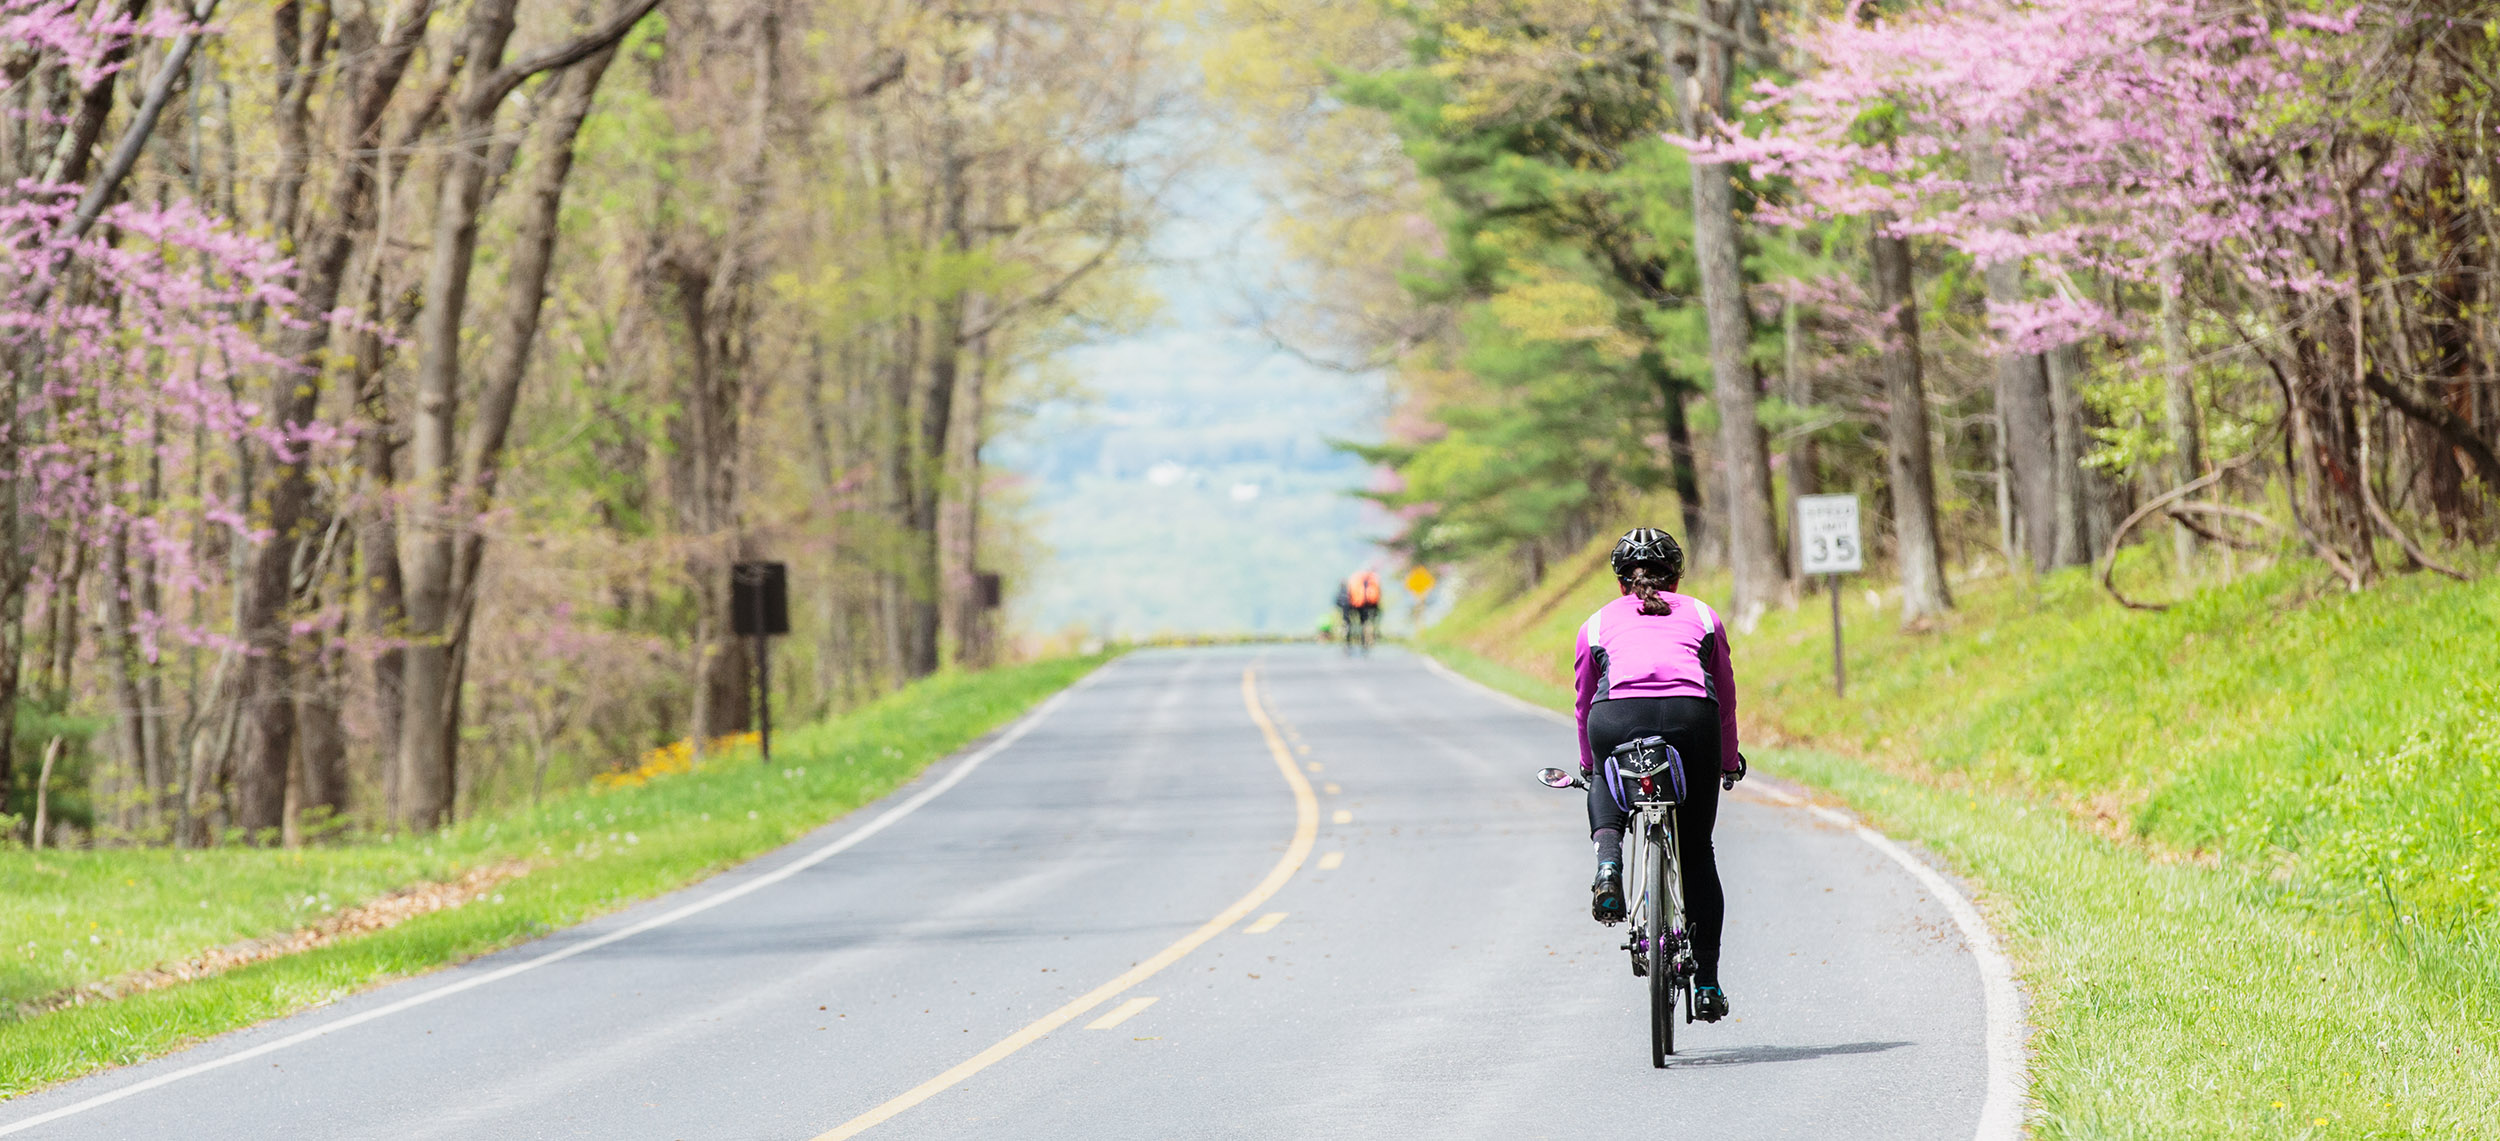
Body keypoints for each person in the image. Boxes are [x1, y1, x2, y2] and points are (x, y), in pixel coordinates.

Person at [1573, 527, 1746, 1022]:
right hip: (1693, 720)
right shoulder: (1702, 615)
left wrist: (1589, 763)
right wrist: (1728, 760)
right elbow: (1726, 699)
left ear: (1621, 580)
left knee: (1606, 775)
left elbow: (1586, 702)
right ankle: (1708, 982)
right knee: (1696, 850)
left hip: (1617, 717)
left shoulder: (1597, 623)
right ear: (1677, 575)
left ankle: (1609, 862)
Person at [1342, 570, 1382, 653]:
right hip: (1365, 605)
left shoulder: (1354, 580)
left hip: (1353, 605)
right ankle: (1364, 643)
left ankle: (1348, 643)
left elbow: (1348, 595)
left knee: (1350, 625)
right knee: (1363, 624)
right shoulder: (1369, 582)